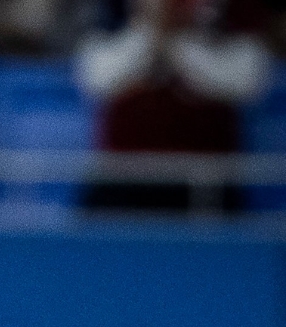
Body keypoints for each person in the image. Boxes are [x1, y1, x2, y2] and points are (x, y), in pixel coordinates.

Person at [76, 0, 271, 209]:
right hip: (124, 182)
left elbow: (244, 85)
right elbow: (97, 81)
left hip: (207, 183)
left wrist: (176, 41)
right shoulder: (111, 28)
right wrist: (151, 33)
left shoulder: (233, 32)